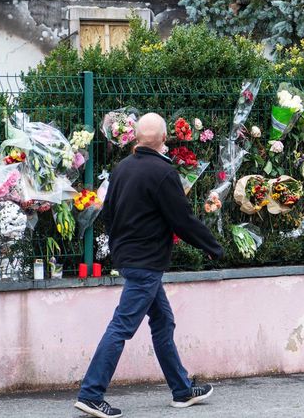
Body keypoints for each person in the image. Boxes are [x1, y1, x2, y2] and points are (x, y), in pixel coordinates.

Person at [75, 112, 225, 417]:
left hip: (130, 258)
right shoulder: (163, 173)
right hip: (146, 263)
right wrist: (212, 247)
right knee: (122, 326)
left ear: (136, 137)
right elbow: (182, 220)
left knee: (163, 321)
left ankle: (182, 390)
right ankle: (91, 393)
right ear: (164, 138)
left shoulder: (122, 168)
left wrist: (119, 246)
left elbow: (108, 214)